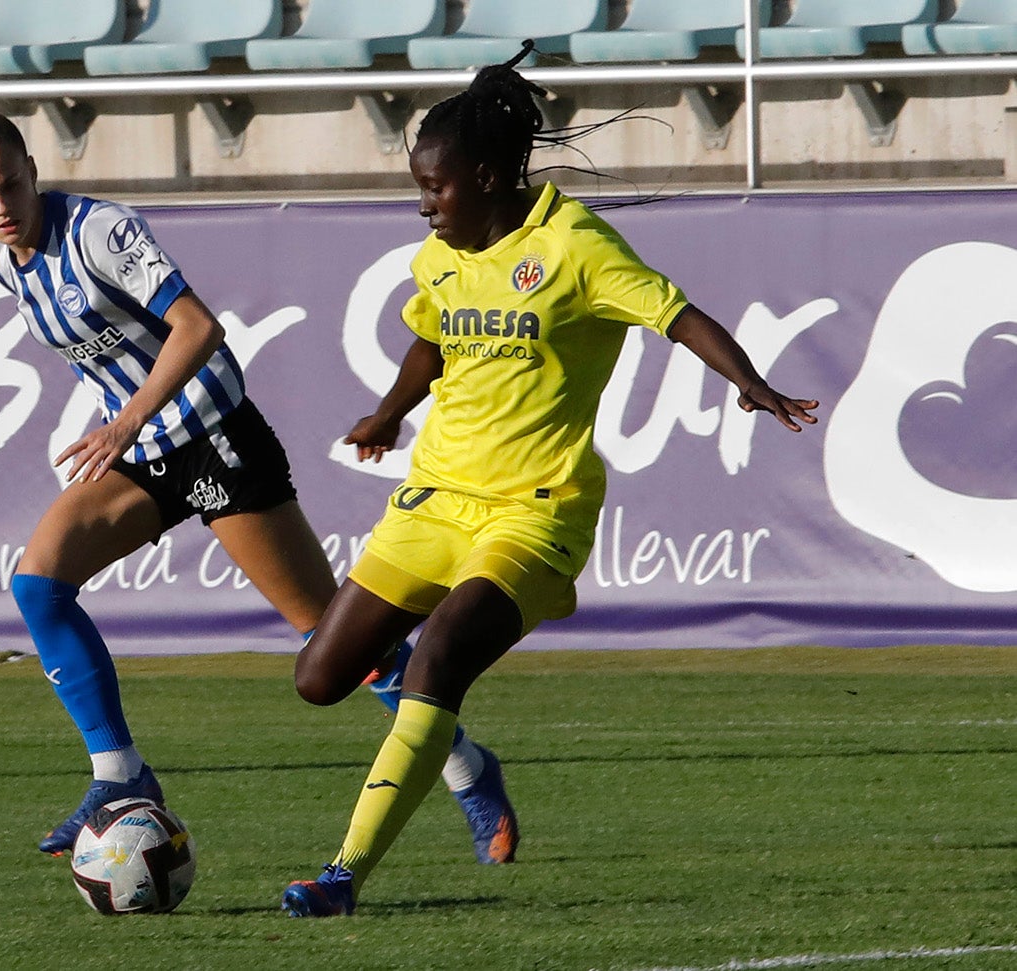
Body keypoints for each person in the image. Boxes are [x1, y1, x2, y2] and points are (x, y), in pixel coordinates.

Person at [280, 48, 820, 917]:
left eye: (436, 189)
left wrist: (749, 383)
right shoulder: (441, 255)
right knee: (318, 677)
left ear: (488, 177)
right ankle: (464, 757)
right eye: (419, 187)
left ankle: (343, 873)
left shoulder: (575, 246)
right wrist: (388, 413)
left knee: (442, 653)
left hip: (536, 512)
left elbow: (676, 314)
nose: (423, 205)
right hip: (434, 498)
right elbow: (433, 338)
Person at [0, 77, 517, 860]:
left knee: (331, 640)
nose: (0, 205)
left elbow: (198, 327)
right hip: (143, 457)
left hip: (215, 440)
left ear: (35, 169)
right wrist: (130, 428)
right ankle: (121, 775)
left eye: (10, 184)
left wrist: (128, 418)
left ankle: (465, 764)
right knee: (37, 582)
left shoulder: (100, 233)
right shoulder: (11, 267)